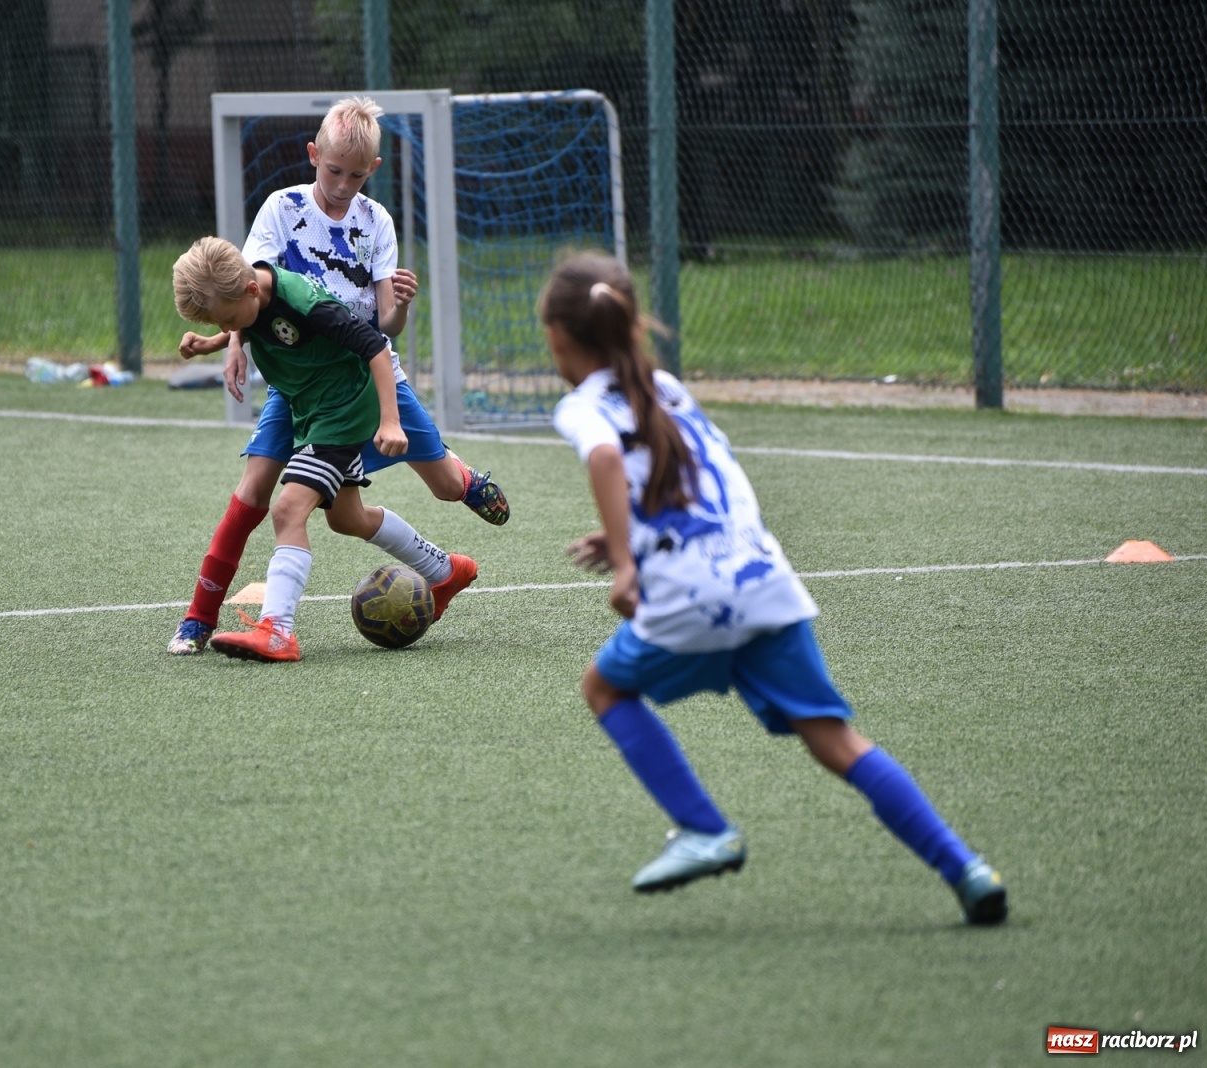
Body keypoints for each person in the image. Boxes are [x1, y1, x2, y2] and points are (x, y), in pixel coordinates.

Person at [541, 251, 1007, 925]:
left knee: (604, 686)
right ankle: (966, 868)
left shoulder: (583, 405)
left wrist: (625, 565)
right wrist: (623, 536)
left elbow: (610, 457)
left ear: (558, 339)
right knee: (837, 741)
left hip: (694, 598)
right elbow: (687, 476)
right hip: (762, 581)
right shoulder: (667, 387)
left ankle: (704, 829)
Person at [169, 96, 508, 656]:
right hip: (299, 384)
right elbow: (241, 292)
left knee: (442, 487)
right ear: (312, 156)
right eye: (333, 170)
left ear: (372, 171)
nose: (343, 183)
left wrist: (397, 306)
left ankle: (278, 628)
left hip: (361, 379)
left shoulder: (375, 223)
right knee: (319, 510)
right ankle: (198, 620)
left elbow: (380, 331)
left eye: (355, 174)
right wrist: (226, 342)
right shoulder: (282, 210)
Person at [172, 237, 478, 662]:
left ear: (250, 290)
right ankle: (445, 571)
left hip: (343, 409)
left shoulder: (303, 302)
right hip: (308, 405)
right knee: (346, 518)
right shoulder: (249, 296)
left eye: (224, 321)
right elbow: (248, 321)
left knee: (287, 510)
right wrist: (211, 344)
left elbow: (374, 347)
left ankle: (277, 631)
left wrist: (390, 420)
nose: (225, 329)